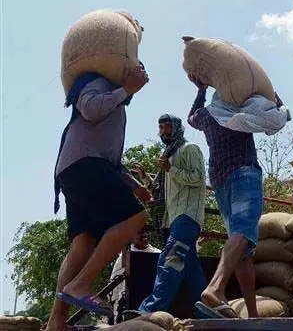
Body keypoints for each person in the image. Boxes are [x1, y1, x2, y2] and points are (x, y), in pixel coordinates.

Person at [48, 65, 151, 330]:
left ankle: (56, 323)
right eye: (138, 69)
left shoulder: (117, 105)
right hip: (84, 164)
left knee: (84, 243)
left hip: (76, 167)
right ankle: (82, 283)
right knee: (136, 216)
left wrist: (134, 185)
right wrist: (126, 90)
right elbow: (90, 107)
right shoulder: (97, 81)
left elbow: (112, 161)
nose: (141, 74)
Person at [187, 74, 263, 318]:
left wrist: (200, 91)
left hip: (220, 181)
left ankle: (252, 314)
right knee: (243, 233)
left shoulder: (207, 115)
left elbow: (191, 117)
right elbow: (272, 117)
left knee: (242, 251)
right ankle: (216, 288)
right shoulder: (238, 115)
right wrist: (271, 96)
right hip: (244, 174)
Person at [134, 114, 208, 314]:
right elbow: (163, 190)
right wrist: (146, 179)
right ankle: (206, 310)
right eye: (161, 127)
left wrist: (171, 169)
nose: (164, 131)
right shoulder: (169, 155)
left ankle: (149, 311)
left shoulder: (189, 149)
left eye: (168, 127)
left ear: (177, 128)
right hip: (173, 220)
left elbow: (198, 178)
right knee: (191, 272)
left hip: (187, 217)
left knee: (169, 260)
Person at [109, 227, 161, 322]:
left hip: (152, 300)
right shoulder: (124, 257)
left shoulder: (158, 254)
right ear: (132, 237)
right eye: (141, 232)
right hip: (130, 302)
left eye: (147, 231)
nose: (145, 235)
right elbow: (115, 286)